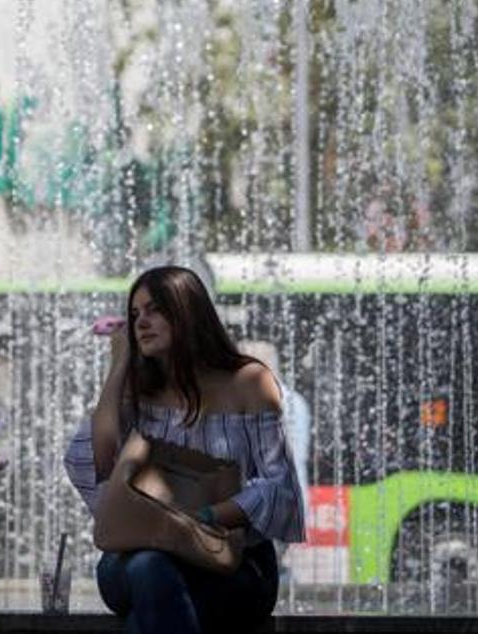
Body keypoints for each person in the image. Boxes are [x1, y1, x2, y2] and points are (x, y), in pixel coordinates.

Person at [64, 266, 305, 633]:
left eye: (154, 309)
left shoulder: (250, 382)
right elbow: (96, 463)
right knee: (151, 569)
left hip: (232, 560)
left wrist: (201, 517)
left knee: (150, 605)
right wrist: (117, 370)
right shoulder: (138, 390)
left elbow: (279, 487)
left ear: (187, 311)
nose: (141, 322)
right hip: (137, 556)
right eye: (134, 314)